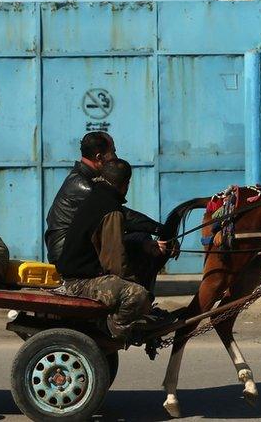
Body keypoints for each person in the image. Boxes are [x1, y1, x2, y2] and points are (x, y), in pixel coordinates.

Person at [52, 158, 172, 340]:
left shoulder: (97, 197)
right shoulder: (110, 209)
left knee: (139, 248)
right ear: (126, 184)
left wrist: (145, 245)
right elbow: (115, 262)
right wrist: (139, 293)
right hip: (80, 283)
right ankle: (113, 330)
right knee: (137, 295)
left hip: (79, 275)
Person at [45, 131, 165, 273]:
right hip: (68, 255)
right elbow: (121, 214)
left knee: (142, 238)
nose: (116, 157)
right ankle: (131, 288)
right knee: (142, 243)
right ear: (99, 157)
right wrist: (162, 229)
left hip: (80, 248)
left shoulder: (88, 179)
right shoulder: (81, 185)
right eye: (113, 152)